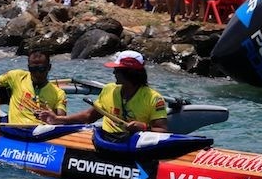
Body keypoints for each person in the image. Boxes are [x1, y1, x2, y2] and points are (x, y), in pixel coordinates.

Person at [40, 50, 168, 134]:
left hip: (133, 146)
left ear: (129, 73)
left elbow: (163, 130)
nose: (113, 73)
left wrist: (145, 128)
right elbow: (89, 117)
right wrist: (58, 119)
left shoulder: (154, 99)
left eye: (117, 70)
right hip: (107, 141)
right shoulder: (109, 90)